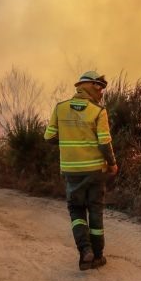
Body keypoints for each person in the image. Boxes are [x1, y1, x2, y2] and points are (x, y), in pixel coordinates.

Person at [44, 71, 118, 270]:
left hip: (71, 172)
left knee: (76, 211)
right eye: (100, 88)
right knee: (95, 210)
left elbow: (49, 137)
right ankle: (98, 256)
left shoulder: (60, 108)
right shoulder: (98, 111)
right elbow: (104, 142)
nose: (101, 93)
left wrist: (69, 141)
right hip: (95, 170)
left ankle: (85, 252)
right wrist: (112, 163)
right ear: (91, 86)